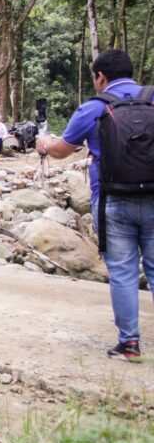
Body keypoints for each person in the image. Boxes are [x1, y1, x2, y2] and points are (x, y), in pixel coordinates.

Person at [36, 49, 152, 361]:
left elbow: (62, 151)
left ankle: (129, 344)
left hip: (112, 200)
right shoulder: (152, 99)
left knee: (124, 272)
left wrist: (44, 143)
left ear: (101, 77)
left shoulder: (93, 108)